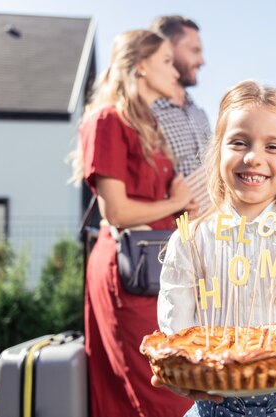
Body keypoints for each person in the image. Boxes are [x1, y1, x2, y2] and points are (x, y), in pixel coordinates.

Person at [152, 80, 276, 417]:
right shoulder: (190, 239)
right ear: (219, 150)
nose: (253, 158)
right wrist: (176, 370)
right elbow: (176, 337)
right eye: (239, 142)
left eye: (273, 146)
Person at [70, 30, 195, 417]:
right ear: (141, 66)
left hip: (159, 262)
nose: (175, 71)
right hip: (129, 265)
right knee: (157, 381)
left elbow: (168, 202)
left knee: (171, 376)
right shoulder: (106, 121)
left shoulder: (151, 127)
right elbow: (117, 212)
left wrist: (178, 200)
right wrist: (174, 199)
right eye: (166, 62)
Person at [150, 15, 211, 177]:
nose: (201, 61)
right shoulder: (144, 114)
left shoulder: (200, 114)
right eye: (194, 51)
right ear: (166, 49)